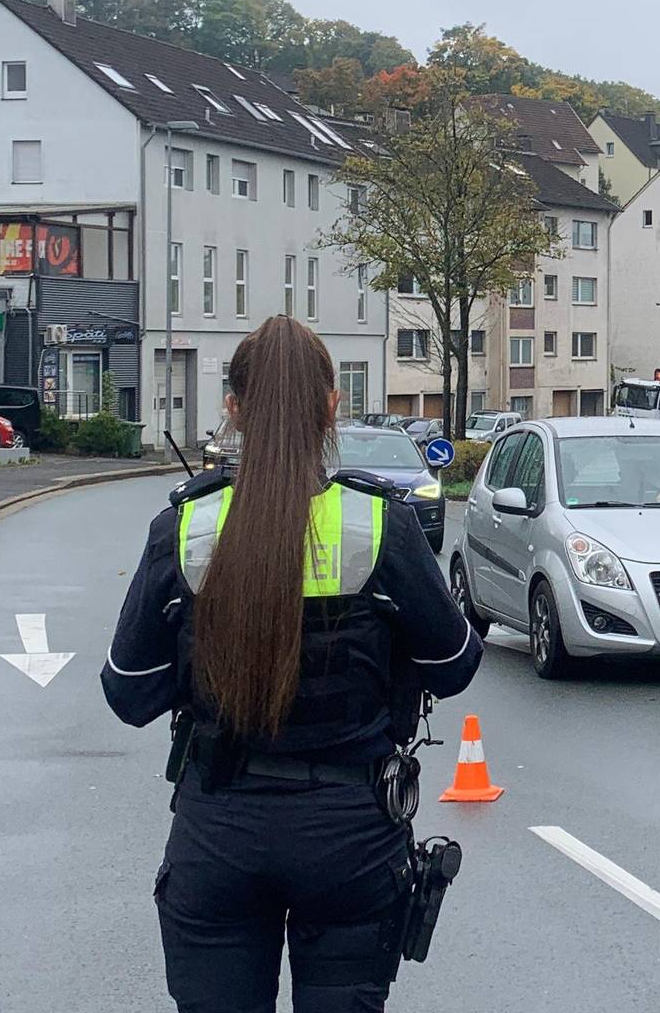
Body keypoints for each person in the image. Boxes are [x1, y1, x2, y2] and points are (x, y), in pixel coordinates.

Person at [104, 315, 484, 1013]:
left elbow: (129, 693)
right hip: (350, 834)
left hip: (220, 828)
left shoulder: (185, 528)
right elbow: (454, 663)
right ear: (332, 407)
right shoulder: (380, 525)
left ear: (233, 408)